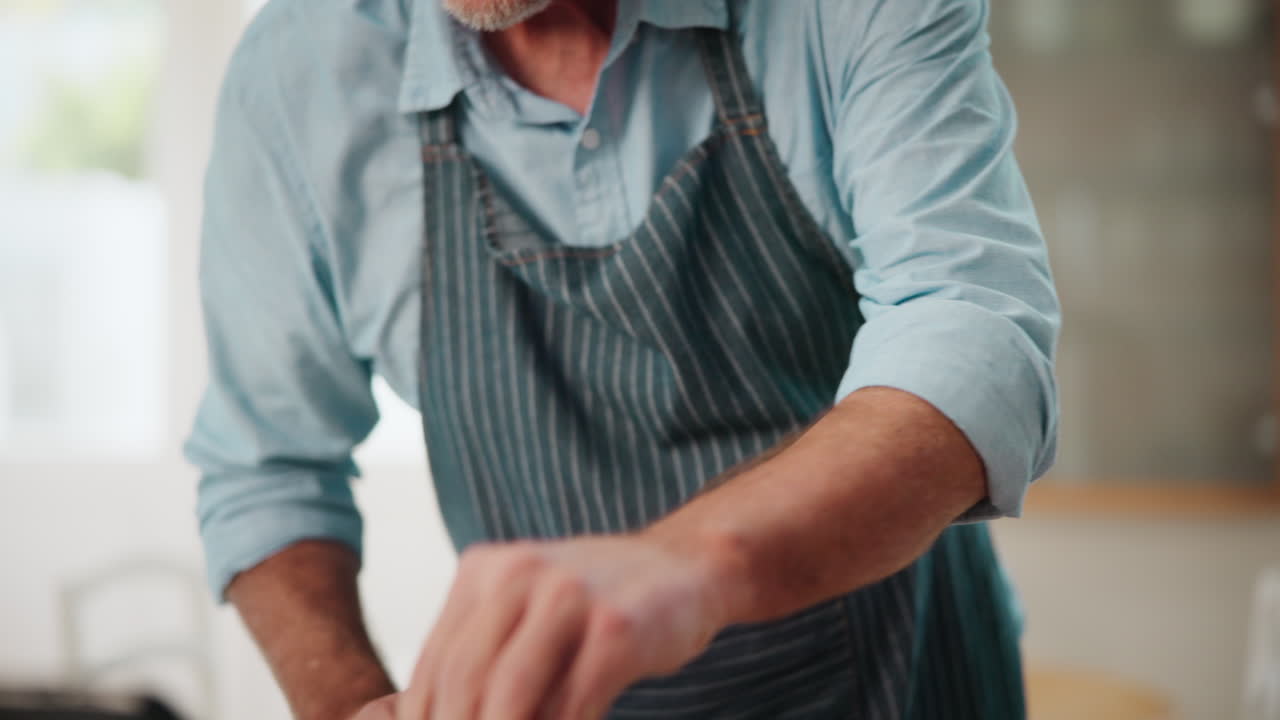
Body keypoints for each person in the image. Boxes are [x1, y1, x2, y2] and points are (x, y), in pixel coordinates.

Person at [184, 0, 1060, 718]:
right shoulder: (296, 77)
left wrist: (690, 566)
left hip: (906, 688)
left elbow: (970, 324)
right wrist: (349, 704)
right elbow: (269, 469)